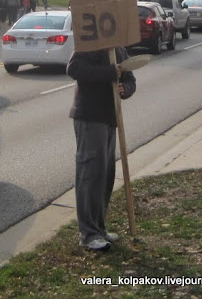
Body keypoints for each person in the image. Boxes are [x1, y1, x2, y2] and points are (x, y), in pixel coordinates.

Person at [66, 47, 136, 251]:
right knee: (91, 173)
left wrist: (126, 88)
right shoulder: (90, 44)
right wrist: (110, 71)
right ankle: (88, 233)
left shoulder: (119, 48)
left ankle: (99, 228)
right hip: (89, 116)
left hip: (110, 117)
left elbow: (130, 79)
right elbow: (75, 69)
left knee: (105, 175)